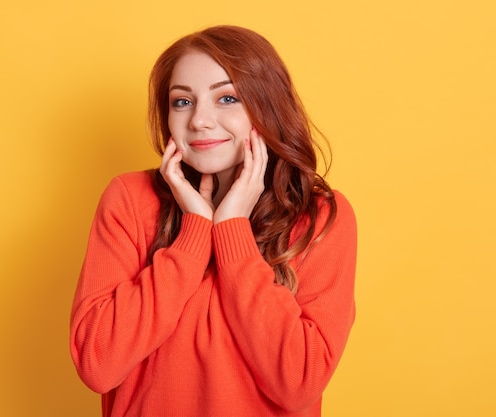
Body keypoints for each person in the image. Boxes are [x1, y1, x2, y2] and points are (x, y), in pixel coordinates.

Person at [70, 25, 357, 417]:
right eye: (182, 102)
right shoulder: (130, 201)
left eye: (226, 98)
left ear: (267, 106)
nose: (200, 121)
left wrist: (232, 231)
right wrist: (193, 236)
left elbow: (300, 382)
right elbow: (97, 363)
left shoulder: (318, 218)